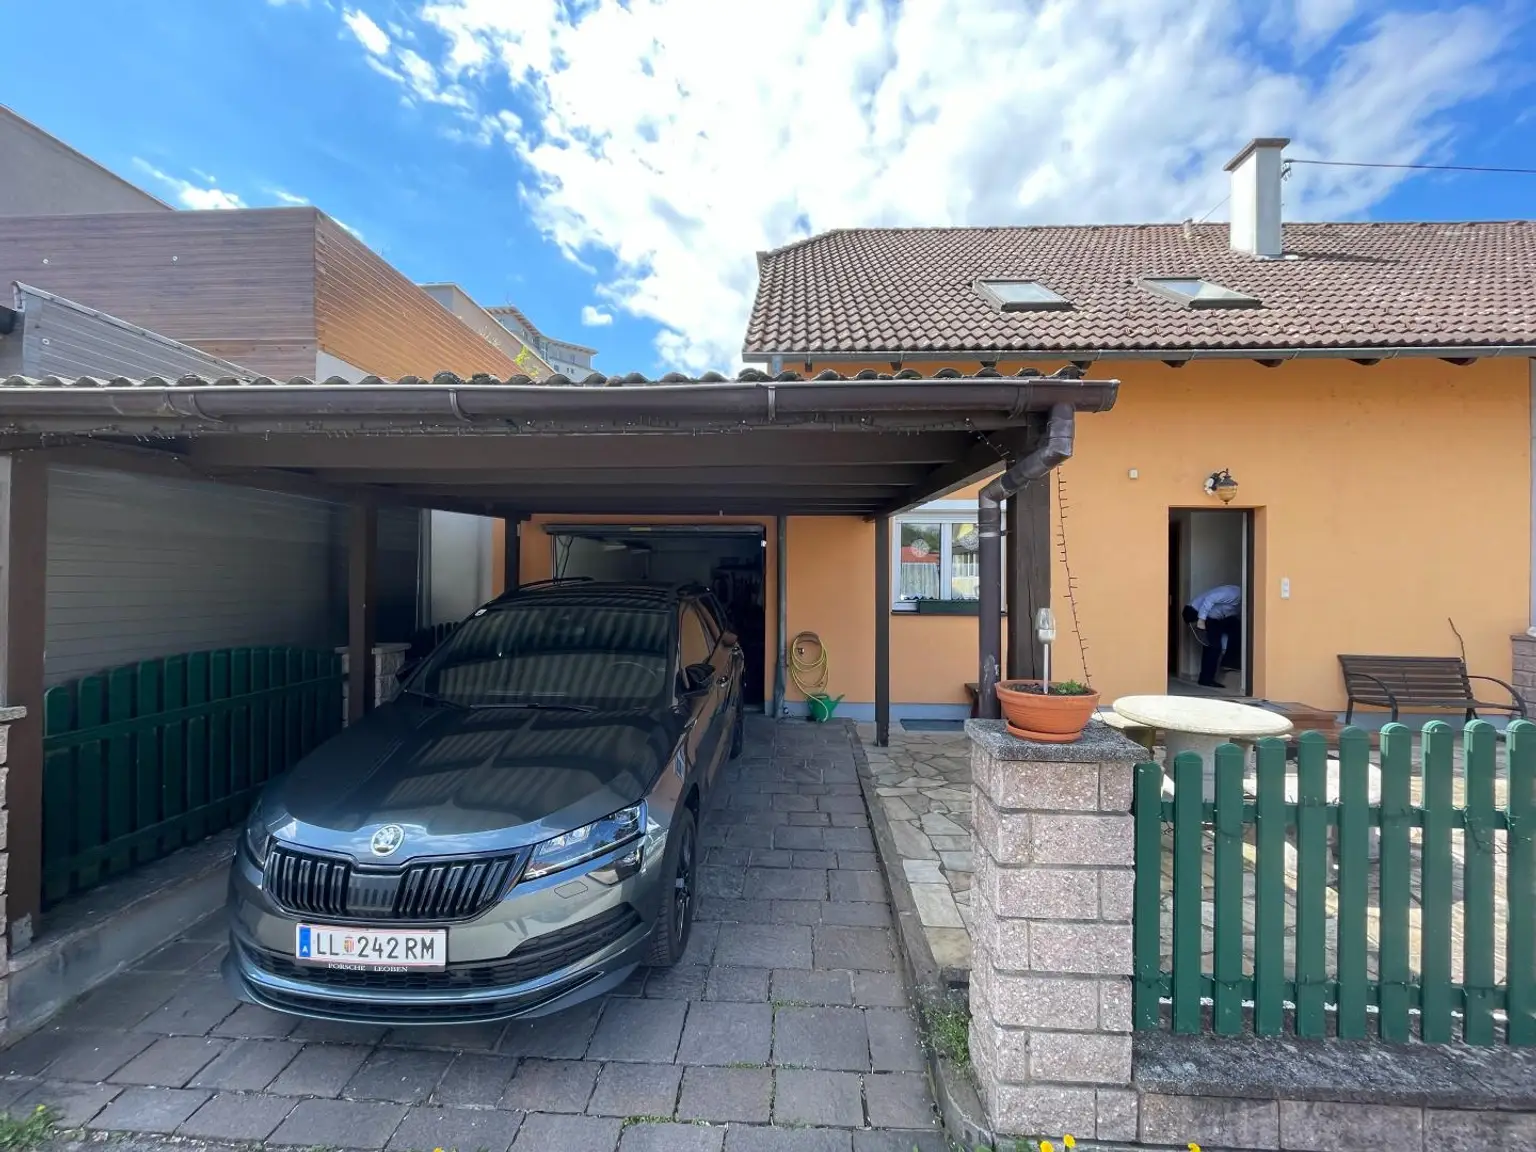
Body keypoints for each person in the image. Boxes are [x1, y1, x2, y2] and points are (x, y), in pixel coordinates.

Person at [1182, 584, 1241, 688]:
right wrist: (1201, 620)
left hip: (1213, 617)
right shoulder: (1233, 593)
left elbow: (1227, 613)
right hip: (1194, 612)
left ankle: (1229, 663)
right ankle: (1206, 679)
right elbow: (1210, 598)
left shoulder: (1240, 603)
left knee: (1236, 626)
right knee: (1213, 646)